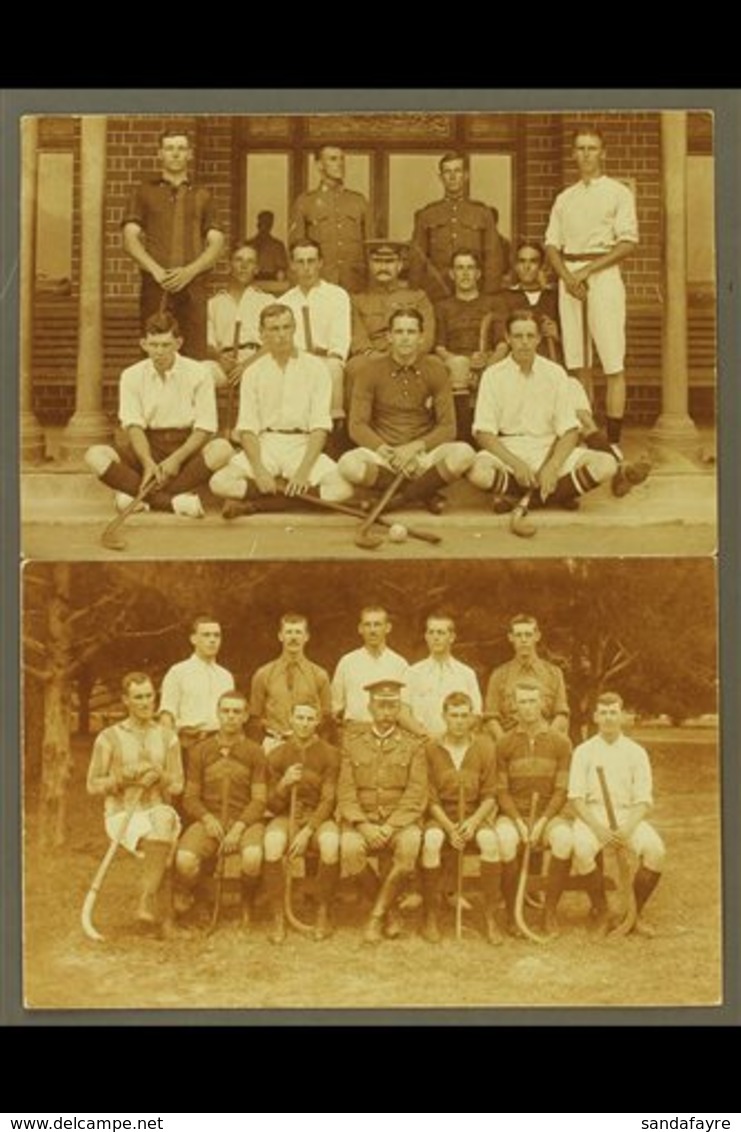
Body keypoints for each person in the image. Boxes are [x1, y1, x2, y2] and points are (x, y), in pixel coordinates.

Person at [209, 303, 354, 517]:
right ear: (262, 334)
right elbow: (248, 428)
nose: (282, 335)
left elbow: (320, 427)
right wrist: (259, 471)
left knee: (343, 488)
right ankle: (298, 499)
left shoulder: (315, 368)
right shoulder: (254, 372)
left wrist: (303, 472)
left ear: (295, 329)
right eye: (274, 329)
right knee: (219, 483)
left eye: (287, 327)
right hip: (266, 443)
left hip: (302, 444)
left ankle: (256, 506)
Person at [467, 309, 618, 513]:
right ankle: (559, 494)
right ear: (508, 338)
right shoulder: (493, 375)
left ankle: (521, 496)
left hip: (548, 446)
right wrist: (516, 464)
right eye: (518, 336)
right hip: (510, 448)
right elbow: (484, 433)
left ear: (538, 338)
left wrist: (553, 466)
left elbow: (570, 430)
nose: (524, 342)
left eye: (530, 336)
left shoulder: (555, 373)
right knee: (477, 471)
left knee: (607, 464)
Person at [84, 312, 233, 518]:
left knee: (222, 449)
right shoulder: (131, 375)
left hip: (186, 447)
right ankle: (172, 502)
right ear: (143, 344)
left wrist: (176, 460)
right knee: (95, 455)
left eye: (165, 345)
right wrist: (147, 463)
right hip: (148, 445)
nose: (159, 352)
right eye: (153, 345)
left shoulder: (199, 373)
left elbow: (205, 427)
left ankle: (138, 498)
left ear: (178, 343)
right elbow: (133, 425)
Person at [545, 126, 639, 451]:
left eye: (592, 148)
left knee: (612, 362)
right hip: (569, 279)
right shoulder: (564, 198)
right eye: (580, 148)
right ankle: (590, 435)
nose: (586, 154)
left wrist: (587, 270)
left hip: (603, 275)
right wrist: (568, 277)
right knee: (578, 362)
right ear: (574, 154)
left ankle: (613, 441)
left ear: (603, 153)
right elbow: (551, 245)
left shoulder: (618, 193)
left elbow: (628, 243)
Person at [338, 308, 475, 514]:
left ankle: (397, 500)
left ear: (421, 337)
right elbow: (357, 426)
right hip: (386, 456)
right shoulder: (369, 370)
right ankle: (425, 493)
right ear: (389, 337)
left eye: (411, 332)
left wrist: (414, 448)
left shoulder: (435, 368)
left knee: (464, 454)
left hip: (423, 455)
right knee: (348, 464)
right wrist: (387, 451)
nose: (405, 338)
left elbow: (448, 427)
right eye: (399, 332)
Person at [86, 671, 184, 935]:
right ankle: (161, 913)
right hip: (122, 814)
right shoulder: (108, 737)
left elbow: (177, 784)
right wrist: (120, 778)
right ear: (125, 701)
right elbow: (92, 785)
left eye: (149, 696)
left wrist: (159, 774)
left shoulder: (167, 737)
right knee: (162, 845)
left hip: (158, 809)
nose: (145, 702)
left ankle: (146, 900)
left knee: (163, 822)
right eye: (138, 697)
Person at [337, 679, 428, 944]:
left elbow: (416, 792)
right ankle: (390, 913)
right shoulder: (353, 743)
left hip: (400, 823)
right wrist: (363, 825)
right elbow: (346, 792)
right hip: (362, 821)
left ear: (399, 708)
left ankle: (376, 916)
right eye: (381, 705)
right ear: (370, 707)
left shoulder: (413, 745)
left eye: (392, 706)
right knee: (350, 850)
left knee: (410, 846)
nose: (387, 712)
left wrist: (391, 826)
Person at [122, 127, 225, 358]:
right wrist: (156, 271)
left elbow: (217, 242)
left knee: (194, 355)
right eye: (169, 148)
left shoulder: (203, 195)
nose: (175, 154)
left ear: (189, 153)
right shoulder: (143, 192)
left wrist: (190, 272)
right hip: (155, 284)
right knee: (155, 353)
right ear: (160, 153)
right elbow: (130, 239)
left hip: (193, 286)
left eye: (181, 148)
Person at [569, 691, 666, 937]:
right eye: (604, 713)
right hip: (593, 816)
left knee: (656, 851)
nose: (609, 718)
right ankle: (602, 912)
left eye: (614, 712)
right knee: (581, 850)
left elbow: (643, 800)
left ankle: (633, 915)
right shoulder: (583, 751)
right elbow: (576, 799)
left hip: (628, 816)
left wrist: (627, 828)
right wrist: (598, 829)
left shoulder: (636, 752)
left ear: (621, 716)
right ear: (595, 717)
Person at [174, 690, 266, 926]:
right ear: (217, 713)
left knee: (253, 857)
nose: (230, 716)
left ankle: (247, 904)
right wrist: (206, 818)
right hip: (210, 820)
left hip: (244, 822)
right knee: (185, 859)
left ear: (245, 716)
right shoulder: (200, 751)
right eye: (225, 711)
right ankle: (202, 898)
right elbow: (190, 797)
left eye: (237, 711)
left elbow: (259, 800)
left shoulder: (255, 751)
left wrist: (239, 828)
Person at [421, 692, 503, 945]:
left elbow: (491, 794)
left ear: (472, 718)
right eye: (453, 715)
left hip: (474, 815)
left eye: (464, 716)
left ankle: (490, 918)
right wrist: (448, 827)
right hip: (441, 816)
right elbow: (429, 797)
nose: (458, 721)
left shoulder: (485, 747)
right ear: (444, 717)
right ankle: (431, 915)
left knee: (490, 842)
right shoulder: (431, 749)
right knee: (432, 840)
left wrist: (473, 822)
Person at [495, 681, 574, 937]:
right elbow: (501, 791)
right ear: (513, 706)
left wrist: (542, 822)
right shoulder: (504, 743)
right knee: (505, 841)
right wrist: (518, 821)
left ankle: (548, 913)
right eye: (522, 702)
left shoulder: (560, 742)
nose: (527, 708)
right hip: (514, 813)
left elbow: (562, 791)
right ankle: (511, 914)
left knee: (564, 840)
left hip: (548, 814)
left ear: (542, 703)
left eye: (532, 701)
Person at [263, 702, 341, 943]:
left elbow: (329, 800)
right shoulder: (277, 754)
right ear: (291, 719)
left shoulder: (330, 754)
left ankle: (322, 911)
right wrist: (283, 784)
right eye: (300, 717)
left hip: (317, 818)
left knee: (330, 843)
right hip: (286, 816)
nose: (305, 723)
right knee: (272, 842)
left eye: (310, 718)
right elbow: (272, 805)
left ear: (317, 721)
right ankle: (278, 915)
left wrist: (308, 830)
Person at [409, 152, 504, 302]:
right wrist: (415, 294)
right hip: (437, 291)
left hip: (474, 292)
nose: (452, 177)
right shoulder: (427, 214)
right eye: (447, 172)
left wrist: (488, 295)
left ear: (466, 176)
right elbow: (417, 258)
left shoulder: (482, 213)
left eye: (457, 171)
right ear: (441, 177)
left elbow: (493, 257)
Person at [434, 249, 508, 440]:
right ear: (452, 274)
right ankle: (462, 438)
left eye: (470, 268)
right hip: (454, 365)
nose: (465, 273)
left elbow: (503, 344)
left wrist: (487, 365)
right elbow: (439, 347)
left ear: (478, 273)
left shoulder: (494, 303)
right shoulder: (442, 306)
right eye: (459, 268)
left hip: (488, 361)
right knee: (458, 370)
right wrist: (463, 364)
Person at [280, 239, 351, 430]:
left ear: (320, 263)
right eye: (300, 262)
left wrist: (331, 358)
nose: (306, 268)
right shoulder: (284, 301)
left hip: (327, 360)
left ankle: (333, 428)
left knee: (333, 368)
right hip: (296, 360)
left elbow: (340, 339)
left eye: (311, 261)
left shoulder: (337, 295)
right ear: (292, 265)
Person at [289, 145, 372, 292]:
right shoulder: (305, 202)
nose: (340, 164)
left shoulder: (358, 201)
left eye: (342, 159)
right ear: (319, 165)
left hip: (354, 283)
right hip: (320, 283)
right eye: (333, 159)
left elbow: (370, 247)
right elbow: (296, 249)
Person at [330, 606, 422, 737]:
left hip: (389, 735)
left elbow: (405, 709)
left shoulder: (399, 664)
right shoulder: (347, 662)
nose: (372, 630)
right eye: (367, 625)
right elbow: (335, 707)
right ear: (360, 629)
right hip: (355, 735)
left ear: (388, 628)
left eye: (377, 624)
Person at [248, 612, 333, 751]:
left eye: (298, 632)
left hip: (308, 746)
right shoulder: (263, 674)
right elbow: (254, 718)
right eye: (289, 632)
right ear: (280, 636)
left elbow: (326, 719)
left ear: (306, 637)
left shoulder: (319, 675)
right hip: (274, 744)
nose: (293, 637)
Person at [159, 615, 235, 761]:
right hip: (189, 744)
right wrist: (170, 754)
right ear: (193, 639)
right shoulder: (178, 672)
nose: (212, 640)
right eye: (206, 635)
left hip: (221, 745)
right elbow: (166, 716)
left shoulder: (226, 676)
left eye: (217, 635)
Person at [484, 614, 570, 742]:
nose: (523, 640)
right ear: (511, 638)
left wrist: (546, 741)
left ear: (537, 636)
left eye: (528, 634)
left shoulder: (554, 674)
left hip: (545, 742)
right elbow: (491, 717)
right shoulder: (499, 675)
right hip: (510, 743)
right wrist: (504, 744)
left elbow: (561, 714)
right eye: (518, 635)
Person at [349, 239, 435, 363]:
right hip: (372, 360)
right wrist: (375, 356)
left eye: (389, 261)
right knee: (355, 366)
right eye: (377, 261)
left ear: (400, 265)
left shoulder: (418, 297)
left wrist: (405, 356)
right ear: (370, 264)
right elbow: (358, 338)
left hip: (411, 356)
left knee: (435, 365)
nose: (383, 267)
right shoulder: (357, 300)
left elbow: (427, 336)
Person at [406, 612, 482, 738]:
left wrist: (454, 736)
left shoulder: (466, 674)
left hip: (456, 744)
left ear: (452, 637)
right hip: (421, 743)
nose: (435, 637)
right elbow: (402, 711)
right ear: (426, 636)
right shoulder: (413, 673)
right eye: (431, 632)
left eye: (441, 633)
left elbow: (476, 714)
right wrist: (422, 734)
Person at [206, 242, 272, 387]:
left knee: (269, 375)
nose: (244, 265)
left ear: (256, 269)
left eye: (250, 261)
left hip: (257, 361)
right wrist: (219, 358)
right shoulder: (214, 303)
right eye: (238, 260)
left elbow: (273, 342)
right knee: (201, 373)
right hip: (223, 363)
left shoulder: (267, 301)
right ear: (230, 265)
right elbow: (208, 343)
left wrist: (246, 365)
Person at [499, 240, 562, 361]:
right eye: (522, 261)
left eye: (533, 261)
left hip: (550, 365)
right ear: (515, 266)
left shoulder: (554, 297)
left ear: (542, 266)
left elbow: (575, 341)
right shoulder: (505, 297)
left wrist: (557, 334)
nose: (527, 267)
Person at [246, 210, 288, 281]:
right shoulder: (249, 245)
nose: (264, 226)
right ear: (258, 224)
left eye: (268, 223)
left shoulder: (278, 245)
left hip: (272, 282)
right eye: (263, 222)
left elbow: (282, 268)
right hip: (252, 281)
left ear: (271, 225)